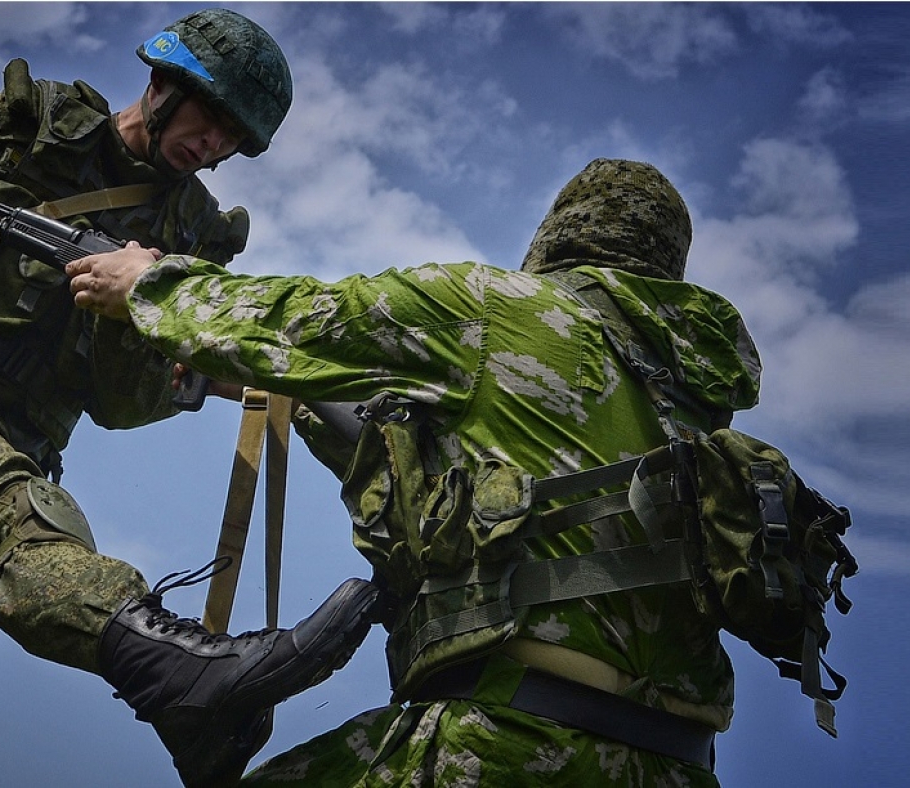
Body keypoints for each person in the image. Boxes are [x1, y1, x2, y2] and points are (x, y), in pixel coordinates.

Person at [0, 9, 380, 788]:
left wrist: (136, 309)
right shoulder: (20, 126)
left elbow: (125, 406)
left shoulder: (191, 236)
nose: (215, 145)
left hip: (22, 440)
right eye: (211, 117)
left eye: (235, 138)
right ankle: (170, 668)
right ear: (163, 84)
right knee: (19, 522)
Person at [66, 158, 763, 786]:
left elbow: (301, 321)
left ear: (558, 231)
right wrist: (268, 391)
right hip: (676, 762)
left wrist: (151, 284)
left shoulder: (499, 309)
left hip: (513, 736)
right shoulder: (693, 401)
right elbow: (428, 453)